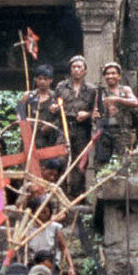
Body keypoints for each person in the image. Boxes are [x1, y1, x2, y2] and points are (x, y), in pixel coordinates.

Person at [55, 55, 96, 197]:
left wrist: (87, 114)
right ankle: (59, 194)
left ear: (85, 71)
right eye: (74, 67)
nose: (76, 70)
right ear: (70, 70)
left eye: (79, 67)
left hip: (82, 129)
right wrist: (54, 107)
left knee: (80, 163)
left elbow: (96, 112)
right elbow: (55, 104)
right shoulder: (61, 87)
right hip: (64, 127)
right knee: (61, 160)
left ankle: (76, 196)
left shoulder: (92, 90)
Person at [94, 62, 138, 167]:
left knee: (123, 161)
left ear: (119, 76)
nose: (110, 76)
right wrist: (95, 115)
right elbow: (95, 110)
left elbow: (135, 102)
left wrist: (117, 99)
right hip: (104, 132)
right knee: (101, 163)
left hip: (122, 132)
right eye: (107, 74)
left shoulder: (125, 90)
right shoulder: (101, 92)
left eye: (113, 73)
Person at [27, 199, 75, 275]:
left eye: (45, 212)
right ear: (34, 212)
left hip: (51, 264)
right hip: (34, 265)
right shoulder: (28, 229)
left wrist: (71, 267)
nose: (43, 215)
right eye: (40, 212)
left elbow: (63, 248)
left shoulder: (55, 227)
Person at [20, 65, 63, 151]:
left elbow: (61, 118)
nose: (42, 82)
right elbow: (19, 114)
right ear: (35, 79)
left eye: (45, 79)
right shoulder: (28, 96)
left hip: (48, 139)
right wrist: (25, 124)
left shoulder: (56, 98)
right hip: (29, 138)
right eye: (40, 79)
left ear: (51, 80)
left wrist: (50, 126)